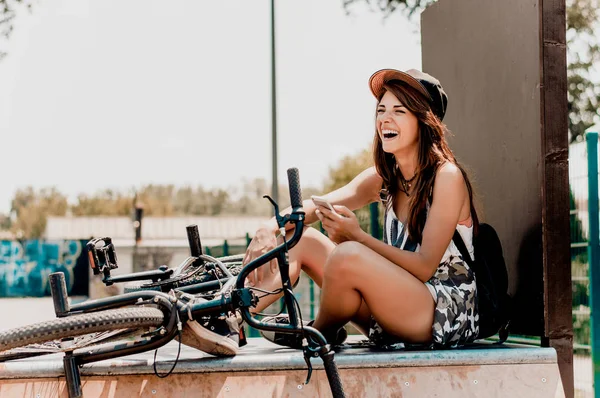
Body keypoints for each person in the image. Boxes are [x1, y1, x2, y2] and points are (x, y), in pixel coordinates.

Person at [195, 68, 480, 355]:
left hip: (442, 314)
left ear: (423, 119)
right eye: (381, 110)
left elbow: (424, 267)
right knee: (302, 238)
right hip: (394, 310)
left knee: (349, 255)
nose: (385, 119)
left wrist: (357, 237)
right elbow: (318, 206)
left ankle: (317, 332)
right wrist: (269, 228)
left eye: (399, 110)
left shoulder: (447, 177)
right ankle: (228, 318)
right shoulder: (385, 177)